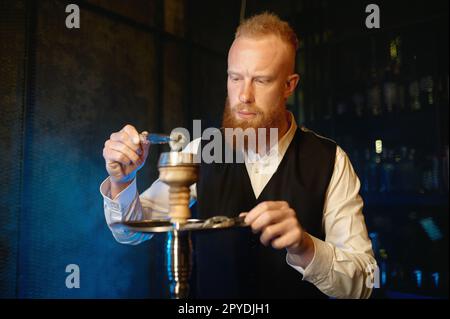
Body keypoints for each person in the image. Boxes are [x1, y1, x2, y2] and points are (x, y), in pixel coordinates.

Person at [100, 12, 377, 299]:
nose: (244, 95)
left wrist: (306, 248)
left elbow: (366, 282)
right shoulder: (201, 150)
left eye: (261, 80)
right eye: (235, 78)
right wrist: (122, 179)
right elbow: (130, 232)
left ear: (289, 85)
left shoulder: (330, 160)